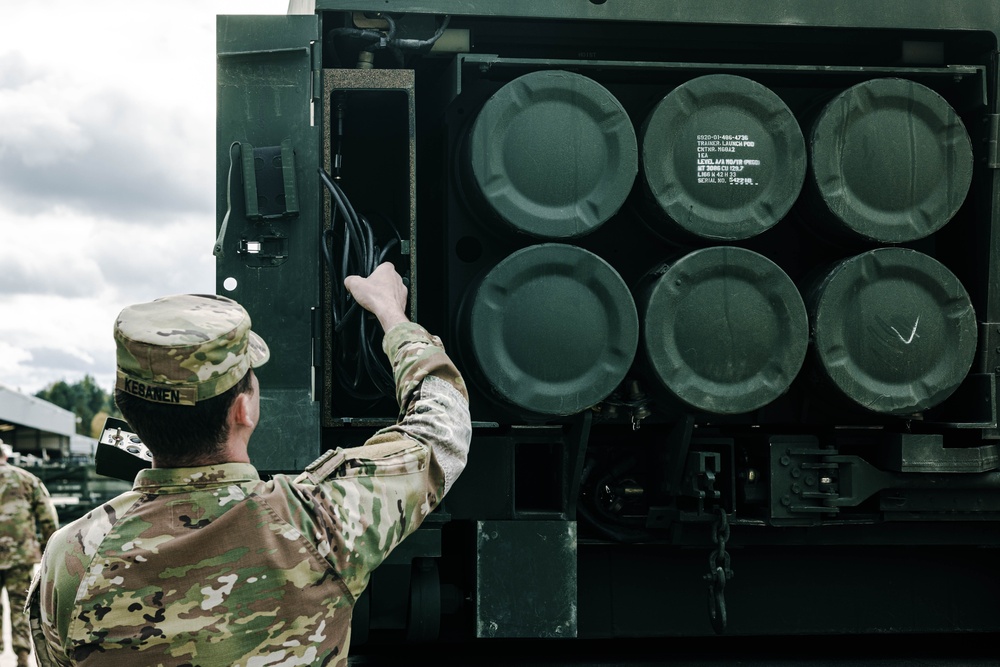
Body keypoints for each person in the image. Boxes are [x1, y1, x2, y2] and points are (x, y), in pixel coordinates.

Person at [27, 262, 472, 666]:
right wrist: (392, 314)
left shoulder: (71, 556)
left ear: (129, 412)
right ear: (245, 409)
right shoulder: (319, 522)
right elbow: (441, 429)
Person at [0, 439, 58, 667]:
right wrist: (49, 550)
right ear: (5, 455)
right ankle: (22, 657)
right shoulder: (27, 479)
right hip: (19, 555)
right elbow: (48, 517)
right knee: (18, 605)